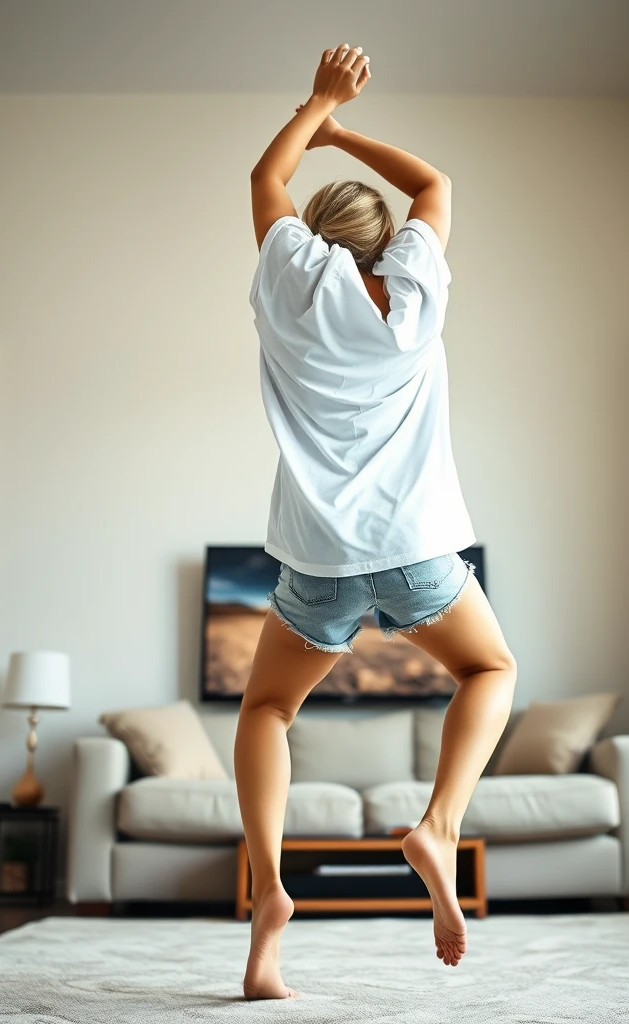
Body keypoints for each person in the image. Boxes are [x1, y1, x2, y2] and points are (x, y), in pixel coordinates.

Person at [235, 42, 517, 1000]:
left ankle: (271, 890)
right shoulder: (416, 292)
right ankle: (438, 826)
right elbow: (435, 180)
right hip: (417, 547)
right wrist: (347, 121)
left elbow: (266, 174)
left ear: (311, 233)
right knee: (490, 670)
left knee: (268, 709)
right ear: (389, 236)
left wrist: (314, 106)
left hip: (316, 556)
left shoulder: (285, 281)